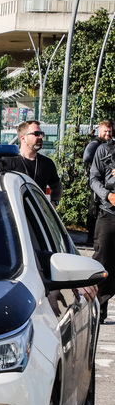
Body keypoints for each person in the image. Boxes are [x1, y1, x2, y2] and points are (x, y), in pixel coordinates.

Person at [0, 120, 62, 206]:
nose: (40, 137)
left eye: (41, 133)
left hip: (36, 215)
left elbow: (56, 186)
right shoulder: (8, 161)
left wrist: (54, 203)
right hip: (14, 212)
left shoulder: (47, 164)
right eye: (36, 134)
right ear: (23, 138)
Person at [89, 125, 115, 320]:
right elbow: (94, 178)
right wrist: (107, 195)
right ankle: (99, 307)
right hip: (108, 213)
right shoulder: (104, 150)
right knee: (102, 261)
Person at [84, 120, 113, 245]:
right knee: (94, 209)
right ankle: (91, 237)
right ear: (99, 131)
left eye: (109, 131)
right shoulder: (96, 144)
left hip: (104, 183)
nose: (107, 134)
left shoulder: (110, 145)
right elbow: (87, 157)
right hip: (99, 184)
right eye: (105, 131)